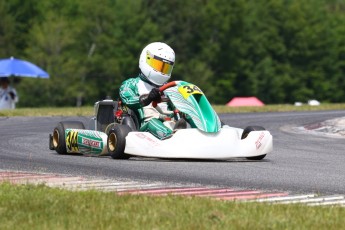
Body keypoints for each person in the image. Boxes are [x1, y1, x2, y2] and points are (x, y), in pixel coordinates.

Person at [119, 42, 182, 140]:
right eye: (158, 65)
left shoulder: (170, 88)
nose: (161, 71)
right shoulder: (131, 83)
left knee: (188, 118)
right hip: (145, 125)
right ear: (146, 60)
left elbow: (177, 107)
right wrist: (148, 98)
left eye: (166, 68)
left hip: (169, 121)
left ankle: (201, 135)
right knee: (153, 122)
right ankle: (171, 139)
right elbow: (128, 99)